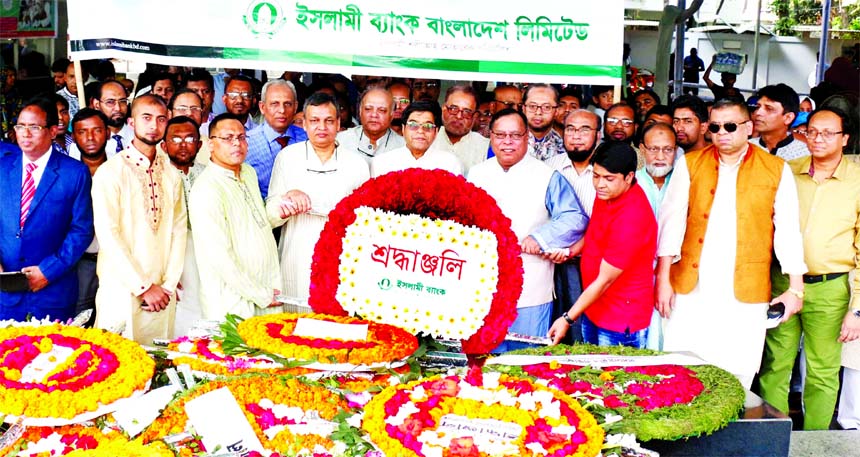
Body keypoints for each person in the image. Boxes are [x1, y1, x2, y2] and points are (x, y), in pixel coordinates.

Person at [656, 99, 806, 389]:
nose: (722, 132)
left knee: (737, 369)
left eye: (730, 126)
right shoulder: (690, 164)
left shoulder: (775, 169)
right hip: (690, 283)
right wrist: (663, 279)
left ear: (748, 128)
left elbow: (788, 230)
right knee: (681, 365)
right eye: (715, 127)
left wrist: (795, 288)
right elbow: (670, 223)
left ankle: (730, 433)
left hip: (745, 288)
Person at [759, 107, 859, 430]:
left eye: (828, 133)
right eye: (812, 131)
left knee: (822, 371)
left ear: (845, 139)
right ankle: (771, 440)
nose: (817, 138)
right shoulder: (787, 171)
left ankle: (814, 443)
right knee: (775, 365)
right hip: (784, 282)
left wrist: (856, 309)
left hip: (832, 287)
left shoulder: (857, 181)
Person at [468, 109, 588, 352]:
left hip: (531, 284)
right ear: (490, 137)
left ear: (527, 138)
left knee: (524, 358)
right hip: (481, 284)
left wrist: (540, 238)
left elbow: (574, 218)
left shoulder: (546, 175)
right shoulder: (476, 173)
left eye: (515, 135)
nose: (507, 142)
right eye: (501, 135)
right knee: (481, 359)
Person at [92, 94, 187, 343]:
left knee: (159, 361)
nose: (154, 126)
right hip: (121, 288)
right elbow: (108, 235)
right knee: (119, 367)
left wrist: (168, 284)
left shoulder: (171, 173)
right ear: (131, 122)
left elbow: (179, 231)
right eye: (146, 118)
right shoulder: (110, 173)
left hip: (162, 293)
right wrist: (143, 287)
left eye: (161, 119)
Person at [548, 141, 656, 347]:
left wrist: (567, 319)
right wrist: (571, 251)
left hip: (620, 317)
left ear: (629, 177)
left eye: (609, 178)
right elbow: (595, 232)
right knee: (591, 372)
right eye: (595, 176)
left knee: (614, 377)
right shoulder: (606, 194)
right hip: (595, 306)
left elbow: (605, 280)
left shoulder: (632, 216)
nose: (599, 184)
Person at [266, 93, 369, 301]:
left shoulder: (357, 164)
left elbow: (366, 221)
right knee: (293, 324)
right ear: (303, 124)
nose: (322, 127)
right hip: (296, 253)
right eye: (314, 121)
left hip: (340, 257)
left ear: (339, 124)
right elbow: (269, 215)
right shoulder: (287, 157)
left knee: (333, 323)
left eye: (329, 121)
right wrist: (287, 201)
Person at [0, 98, 94, 322]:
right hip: (5, 291)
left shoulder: (75, 173)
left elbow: (81, 230)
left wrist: (48, 271)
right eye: (20, 126)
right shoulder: (3, 168)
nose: (25, 133)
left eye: (34, 127)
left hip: (52, 290)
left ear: (53, 131)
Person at [189, 114, 282, 319]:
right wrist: (259, 294)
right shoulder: (206, 188)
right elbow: (219, 256)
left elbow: (258, 221)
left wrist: (283, 209)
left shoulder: (248, 172)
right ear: (211, 144)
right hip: (232, 300)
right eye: (228, 138)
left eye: (241, 137)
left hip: (265, 287)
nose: (236, 144)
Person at [546, 109, 603, 343]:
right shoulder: (549, 167)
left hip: (593, 263)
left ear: (598, 135)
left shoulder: (606, 171)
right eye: (570, 129)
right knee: (554, 329)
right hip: (552, 263)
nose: (576, 135)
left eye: (585, 129)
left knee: (586, 333)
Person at [636, 123, 679, 350]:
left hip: (675, 273)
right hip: (636, 275)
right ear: (642, 149)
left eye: (668, 150)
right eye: (654, 149)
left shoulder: (685, 184)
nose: (660, 156)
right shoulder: (630, 183)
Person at [162, 116, 206, 336]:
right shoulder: (158, 178)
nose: (183, 144)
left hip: (206, 254)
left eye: (190, 138)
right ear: (164, 144)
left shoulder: (208, 174)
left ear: (199, 144)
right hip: (173, 257)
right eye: (175, 138)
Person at [69, 108, 110, 324]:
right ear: (73, 136)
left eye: (97, 130)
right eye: (82, 132)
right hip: (81, 262)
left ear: (108, 133)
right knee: (79, 320)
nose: (90, 138)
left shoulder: (120, 170)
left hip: (115, 261)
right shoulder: (68, 173)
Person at [245, 79, 307, 199]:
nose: (282, 110)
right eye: (275, 104)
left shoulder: (308, 140)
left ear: (295, 107)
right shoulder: (246, 142)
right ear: (262, 107)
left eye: (288, 104)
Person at [371, 101, 462, 177]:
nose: (420, 131)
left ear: (436, 131)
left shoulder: (450, 163)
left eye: (428, 126)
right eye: (413, 125)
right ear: (403, 129)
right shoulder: (382, 163)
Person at [336, 87, 404, 163]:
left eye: (382, 110)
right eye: (368, 109)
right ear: (360, 111)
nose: (374, 115)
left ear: (392, 115)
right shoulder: (340, 141)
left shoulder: (403, 147)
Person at [431, 85, 489, 173]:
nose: (459, 116)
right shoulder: (427, 138)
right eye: (454, 108)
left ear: (475, 116)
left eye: (467, 112)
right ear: (443, 108)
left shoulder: (485, 146)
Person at [752, 84, 810, 161]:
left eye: (769, 108)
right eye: (758, 107)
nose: (758, 112)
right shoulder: (745, 149)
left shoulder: (804, 154)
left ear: (788, 118)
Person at [84, 80, 132, 159]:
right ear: (96, 104)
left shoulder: (140, 136)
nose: (118, 108)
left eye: (123, 101)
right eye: (110, 102)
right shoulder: (87, 141)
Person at [524, 84, 564, 161]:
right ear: (523, 108)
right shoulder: (507, 139)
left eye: (546, 107)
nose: (538, 112)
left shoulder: (562, 146)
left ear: (556, 111)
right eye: (532, 106)